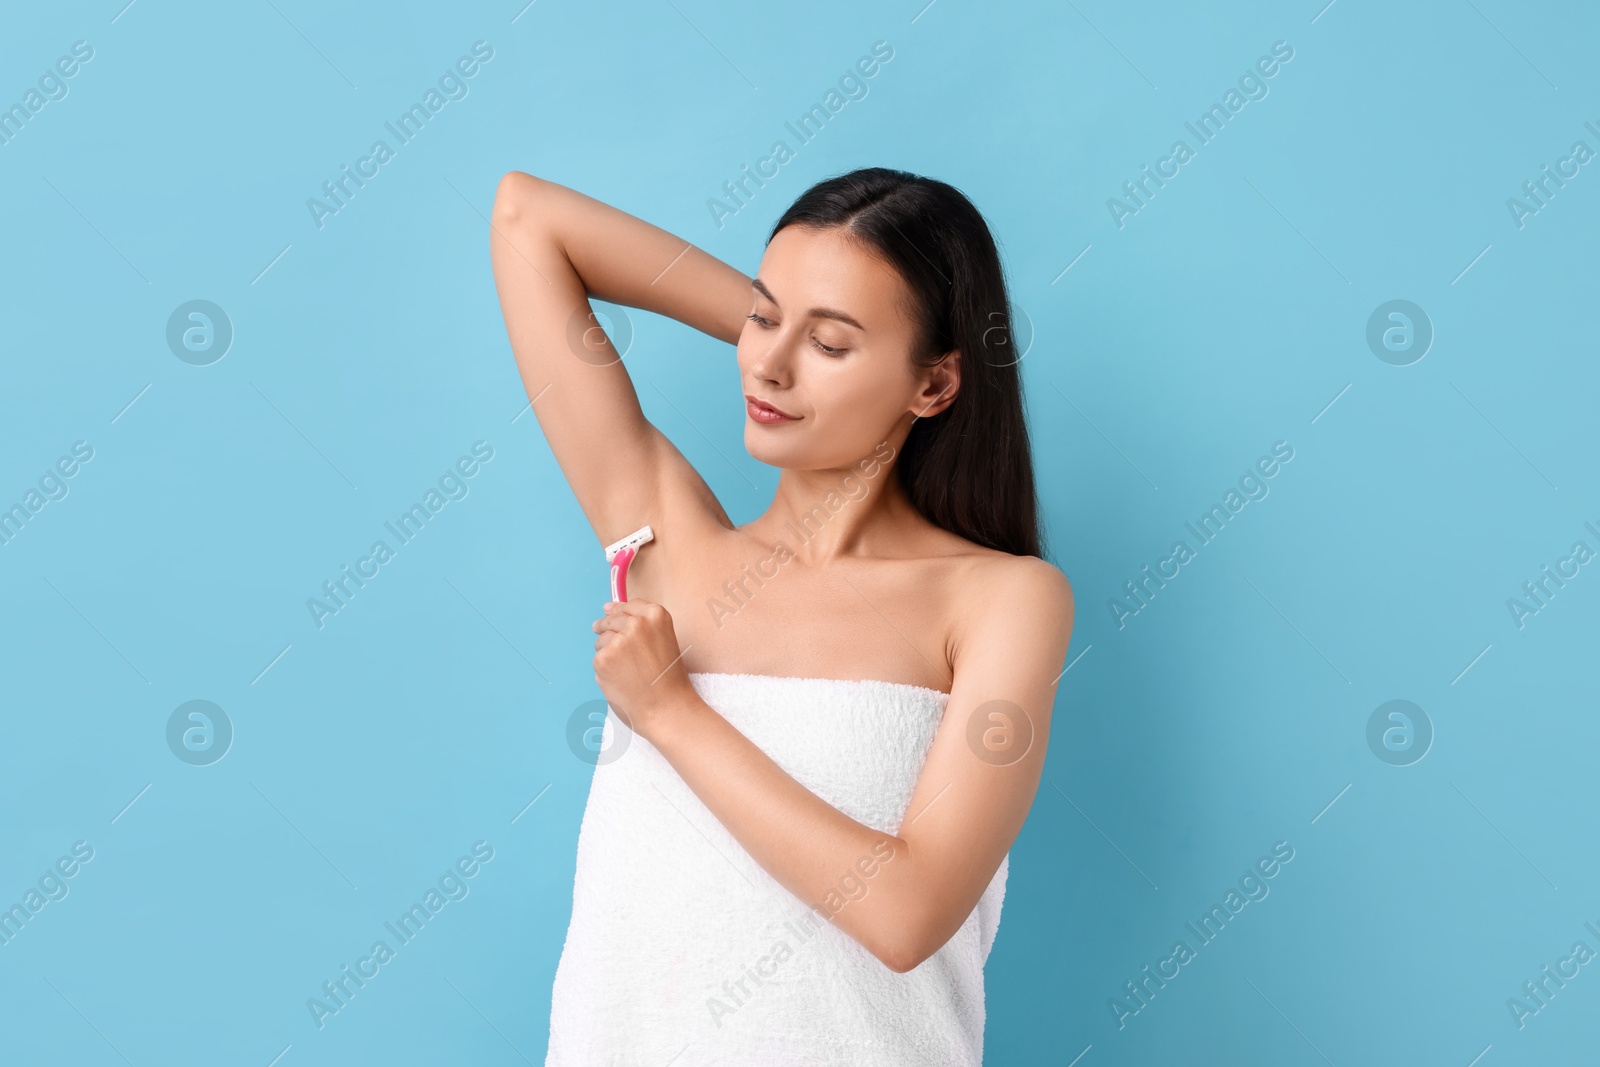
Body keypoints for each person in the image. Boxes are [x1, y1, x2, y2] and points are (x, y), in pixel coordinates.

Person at [489, 165, 1074, 1065]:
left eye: (831, 346)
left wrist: (674, 713)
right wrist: (792, 323)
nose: (767, 365)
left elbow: (905, 913)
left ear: (935, 385)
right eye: (763, 320)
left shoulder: (1003, 598)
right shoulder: (664, 542)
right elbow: (529, 220)